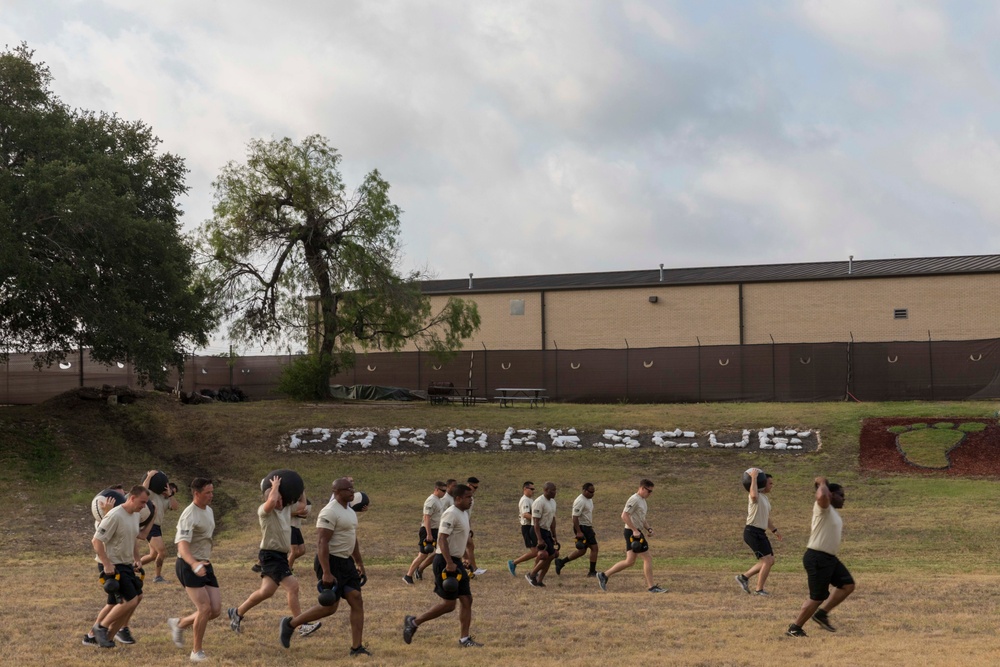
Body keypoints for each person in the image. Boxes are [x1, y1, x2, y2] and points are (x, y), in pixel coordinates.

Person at [279, 477, 370, 657]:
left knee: (356, 599)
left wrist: (359, 562)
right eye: (348, 490)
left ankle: (356, 648)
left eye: (353, 489)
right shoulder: (329, 512)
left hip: (346, 562)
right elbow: (322, 543)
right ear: (337, 492)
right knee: (330, 607)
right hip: (330, 562)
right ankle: (290, 624)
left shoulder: (350, 511)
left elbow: (352, 538)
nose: (352, 492)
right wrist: (327, 572)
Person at [229, 478, 316, 637]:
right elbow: (270, 503)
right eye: (277, 499)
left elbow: (303, 506)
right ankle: (300, 624)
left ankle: (237, 612)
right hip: (270, 555)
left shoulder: (286, 510)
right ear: (271, 498)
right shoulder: (264, 511)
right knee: (293, 586)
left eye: (282, 498)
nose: (280, 501)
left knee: (266, 592)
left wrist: (300, 489)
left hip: (280, 556)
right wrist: (274, 486)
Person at [402, 483, 482, 647]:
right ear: (458, 498)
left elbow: (459, 539)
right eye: (468, 497)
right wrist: (450, 562)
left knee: (467, 600)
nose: (471, 500)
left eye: (472, 497)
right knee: (449, 605)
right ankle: (414, 622)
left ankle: (464, 639)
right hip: (445, 562)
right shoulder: (450, 514)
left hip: (455, 561)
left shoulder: (464, 513)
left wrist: (464, 558)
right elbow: (442, 539)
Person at [786, 478, 855, 638]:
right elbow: (821, 497)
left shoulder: (832, 512)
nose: (844, 498)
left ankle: (822, 614)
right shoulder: (822, 507)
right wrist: (822, 483)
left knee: (847, 584)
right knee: (817, 597)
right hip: (817, 557)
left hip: (829, 558)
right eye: (841, 495)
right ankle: (795, 628)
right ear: (831, 495)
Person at [89, 485, 151, 648]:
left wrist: (137, 559)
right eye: (142, 502)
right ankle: (99, 628)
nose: (144, 506)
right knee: (128, 601)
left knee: (137, 598)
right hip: (113, 565)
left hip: (126, 564)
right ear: (131, 498)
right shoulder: (114, 515)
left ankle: (107, 638)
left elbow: (132, 539)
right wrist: (107, 563)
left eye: (146, 503)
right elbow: (96, 541)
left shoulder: (135, 515)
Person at [168, 478, 220, 663]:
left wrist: (201, 563)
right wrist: (194, 564)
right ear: (196, 493)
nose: (211, 496)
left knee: (215, 610)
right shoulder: (189, 515)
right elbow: (182, 546)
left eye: (212, 492)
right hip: (188, 565)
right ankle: (196, 652)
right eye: (207, 493)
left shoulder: (209, 510)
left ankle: (179, 624)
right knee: (204, 608)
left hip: (205, 563)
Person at [597, 480, 666, 593]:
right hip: (632, 532)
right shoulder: (634, 499)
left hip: (635, 531)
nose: (650, 494)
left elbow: (641, 518)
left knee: (630, 561)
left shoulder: (642, 501)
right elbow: (624, 515)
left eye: (651, 492)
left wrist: (649, 528)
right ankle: (651, 587)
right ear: (642, 488)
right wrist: (634, 530)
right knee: (647, 558)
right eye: (649, 491)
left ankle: (604, 575)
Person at [736, 469, 781, 596]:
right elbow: (754, 494)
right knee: (767, 561)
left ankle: (744, 577)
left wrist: (774, 530)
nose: (772, 486)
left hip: (760, 532)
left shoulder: (765, 498)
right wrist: (754, 478)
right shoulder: (754, 496)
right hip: (752, 532)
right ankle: (759, 590)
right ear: (762, 483)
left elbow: (765, 517)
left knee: (770, 560)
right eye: (770, 483)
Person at [404, 481, 447, 584]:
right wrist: (429, 534)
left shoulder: (438, 500)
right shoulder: (431, 501)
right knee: (423, 555)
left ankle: (440, 574)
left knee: (442, 551)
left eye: (446, 491)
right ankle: (408, 575)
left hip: (436, 530)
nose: (444, 493)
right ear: (436, 489)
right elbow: (426, 517)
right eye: (443, 491)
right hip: (428, 530)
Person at [140, 470, 179, 583]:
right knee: (162, 552)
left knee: (153, 555)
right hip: (150, 526)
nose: (171, 493)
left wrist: (170, 495)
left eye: (174, 492)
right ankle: (157, 577)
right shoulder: (153, 494)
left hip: (157, 527)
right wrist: (150, 476)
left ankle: (131, 567)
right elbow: (143, 489)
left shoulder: (167, 500)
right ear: (165, 486)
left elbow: (176, 507)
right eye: (171, 489)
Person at [555, 482, 598, 577]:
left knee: (582, 551)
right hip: (582, 527)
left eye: (593, 492)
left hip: (587, 527)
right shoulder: (580, 501)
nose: (592, 494)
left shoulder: (589, 499)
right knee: (594, 548)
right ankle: (592, 572)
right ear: (584, 490)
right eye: (590, 492)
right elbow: (575, 517)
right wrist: (579, 531)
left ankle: (561, 562)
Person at [526, 482, 558, 587]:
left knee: (552, 555)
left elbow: (553, 520)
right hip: (537, 530)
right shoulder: (539, 502)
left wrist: (554, 535)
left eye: (555, 490)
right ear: (545, 490)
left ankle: (539, 580)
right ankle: (532, 574)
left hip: (546, 530)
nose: (554, 492)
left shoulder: (553, 502)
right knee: (546, 555)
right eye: (552, 490)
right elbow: (535, 522)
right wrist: (539, 539)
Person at [507, 481, 537, 576]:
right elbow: (525, 514)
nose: (533, 491)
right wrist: (537, 519)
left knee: (539, 551)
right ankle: (513, 562)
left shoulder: (530, 500)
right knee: (535, 552)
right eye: (531, 489)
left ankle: (535, 571)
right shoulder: (525, 500)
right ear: (525, 489)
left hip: (532, 527)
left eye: (533, 489)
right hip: (527, 527)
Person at [463, 477, 486, 576]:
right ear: (468, 485)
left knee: (469, 546)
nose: (475, 490)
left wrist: (469, 527)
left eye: (477, 488)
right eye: (474, 487)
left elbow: (468, 515)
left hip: (465, 525)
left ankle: (472, 568)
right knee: (466, 546)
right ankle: (472, 568)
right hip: (460, 525)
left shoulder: (471, 498)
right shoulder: (461, 497)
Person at [288, 497, 311, 570]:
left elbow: (304, 516)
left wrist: (303, 513)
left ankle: (285, 563)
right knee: (293, 550)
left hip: (297, 527)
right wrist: (298, 512)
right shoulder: (289, 501)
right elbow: (285, 514)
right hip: (290, 526)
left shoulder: (301, 502)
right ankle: (288, 569)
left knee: (302, 550)